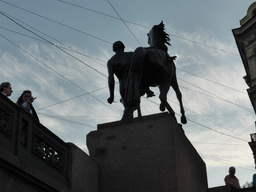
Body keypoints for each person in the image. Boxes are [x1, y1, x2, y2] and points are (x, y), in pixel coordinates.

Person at [107, 41, 154, 106]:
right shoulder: (132, 54)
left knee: (128, 109)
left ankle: (146, 90)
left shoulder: (110, 62)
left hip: (123, 86)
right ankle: (147, 90)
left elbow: (111, 79)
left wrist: (112, 96)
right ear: (123, 47)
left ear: (114, 50)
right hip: (136, 84)